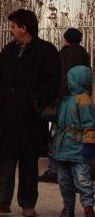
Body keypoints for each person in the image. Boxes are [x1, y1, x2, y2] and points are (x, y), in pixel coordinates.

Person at [0, 8, 60, 217]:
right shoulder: (8, 51)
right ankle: (1, 201)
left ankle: (28, 203)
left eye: (13, 26)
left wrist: (35, 102)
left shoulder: (46, 52)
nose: (11, 31)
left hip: (30, 118)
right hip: (6, 116)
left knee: (29, 161)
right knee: (4, 160)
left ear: (23, 28)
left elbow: (52, 83)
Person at [39, 27, 91, 183]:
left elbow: (60, 77)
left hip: (64, 100)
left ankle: (55, 170)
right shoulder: (84, 54)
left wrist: (55, 99)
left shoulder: (65, 54)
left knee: (57, 135)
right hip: (81, 97)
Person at [48, 64, 95, 217]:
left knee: (83, 181)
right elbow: (56, 118)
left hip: (78, 149)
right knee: (64, 181)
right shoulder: (66, 100)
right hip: (62, 148)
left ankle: (89, 210)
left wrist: (89, 145)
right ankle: (68, 208)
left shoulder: (84, 100)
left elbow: (90, 124)